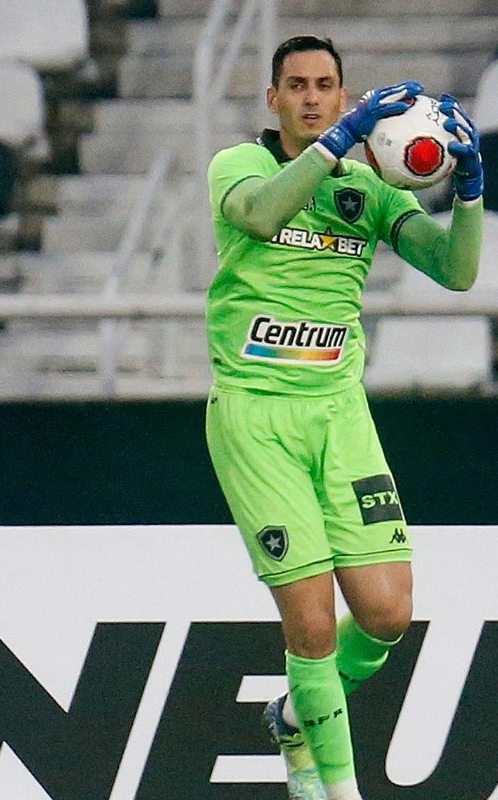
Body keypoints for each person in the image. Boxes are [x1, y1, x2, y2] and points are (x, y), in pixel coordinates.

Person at [204, 35, 483, 800]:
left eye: (325, 85)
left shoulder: (371, 192)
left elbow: (458, 273)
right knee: (314, 626)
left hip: (340, 414)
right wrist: (336, 143)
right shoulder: (241, 167)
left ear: (342, 90)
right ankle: (335, 787)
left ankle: (296, 717)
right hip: (257, 417)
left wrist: (469, 192)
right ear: (274, 99)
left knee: (389, 614)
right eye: (295, 85)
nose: (311, 97)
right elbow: (261, 217)